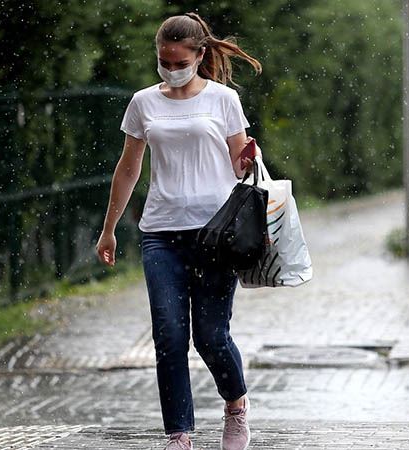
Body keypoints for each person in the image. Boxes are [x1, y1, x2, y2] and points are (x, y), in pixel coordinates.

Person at [95, 12, 262, 450]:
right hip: (161, 232)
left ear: (199, 55)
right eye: (164, 61)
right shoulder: (143, 102)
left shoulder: (224, 100)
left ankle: (236, 406)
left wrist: (248, 159)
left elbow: (239, 165)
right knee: (169, 335)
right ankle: (179, 434)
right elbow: (129, 167)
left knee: (211, 336)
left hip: (214, 233)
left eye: (178, 61)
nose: (171, 69)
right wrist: (109, 227)